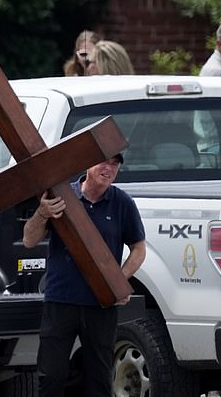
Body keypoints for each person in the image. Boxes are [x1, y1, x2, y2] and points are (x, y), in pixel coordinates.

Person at [23, 154, 146, 397]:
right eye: (104, 161)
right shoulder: (61, 196)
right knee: (51, 377)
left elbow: (139, 249)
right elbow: (29, 240)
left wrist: (119, 282)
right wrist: (42, 213)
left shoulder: (122, 203)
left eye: (115, 164)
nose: (109, 168)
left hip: (100, 305)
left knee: (99, 380)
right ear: (87, 164)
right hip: (61, 301)